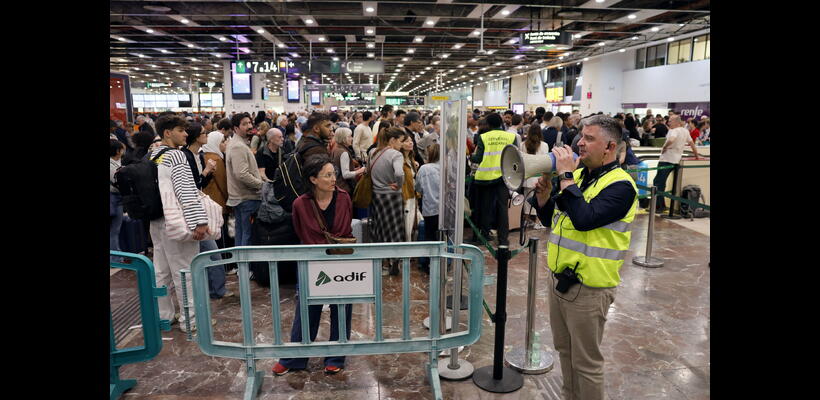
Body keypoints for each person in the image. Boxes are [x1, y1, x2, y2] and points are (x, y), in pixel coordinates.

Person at [529, 114, 638, 400]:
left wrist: (564, 177)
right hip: (559, 282)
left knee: (587, 363)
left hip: (589, 289)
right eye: (581, 136)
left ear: (610, 147)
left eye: (590, 138)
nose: (580, 143)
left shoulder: (621, 186)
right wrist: (543, 199)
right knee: (565, 352)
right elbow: (554, 219)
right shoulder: (579, 177)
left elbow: (584, 219)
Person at [271, 155, 354, 376]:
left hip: (340, 260)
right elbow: (301, 231)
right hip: (311, 262)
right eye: (327, 175)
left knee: (342, 307)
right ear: (313, 179)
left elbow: (344, 229)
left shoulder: (344, 198)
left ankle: (336, 356)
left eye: (333, 174)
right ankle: (295, 358)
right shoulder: (300, 204)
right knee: (306, 308)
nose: (333, 179)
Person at [149, 114, 211, 333]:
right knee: (185, 271)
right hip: (177, 221)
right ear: (168, 133)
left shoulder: (155, 154)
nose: (186, 134)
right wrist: (199, 222)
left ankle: (163, 316)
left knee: (161, 272)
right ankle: (191, 320)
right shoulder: (176, 156)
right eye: (181, 130)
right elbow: (186, 192)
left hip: (157, 221)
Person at [182, 122, 232, 300]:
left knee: (208, 254)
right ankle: (214, 291)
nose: (207, 135)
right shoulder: (186, 157)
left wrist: (207, 172)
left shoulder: (199, 155)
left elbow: (199, 184)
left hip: (200, 209)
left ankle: (214, 290)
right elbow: (192, 186)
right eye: (204, 133)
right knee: (211, 254)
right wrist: (207, 171)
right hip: (194, 214)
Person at [469, 113, 518, 245]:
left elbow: (478, 158)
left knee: (485, 208)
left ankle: (484, 236)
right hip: (503, 178)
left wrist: (470, 156)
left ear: (488, 124)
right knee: (502, 209)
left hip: (484, 178)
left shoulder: (483, 137)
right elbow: (515, 157)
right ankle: (503, 239)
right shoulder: (511, 136)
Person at [368, 127, 407, 275]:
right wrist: (399, 184)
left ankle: (383, 262)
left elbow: (367, 172)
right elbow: (399, 172)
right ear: (392, 140)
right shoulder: (396, 154)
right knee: (395, 229)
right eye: (401, 141)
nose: (402, 144)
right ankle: (394, 261)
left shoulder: (372, 152)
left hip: (377, 196)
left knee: (380, 229)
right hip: (392, 196)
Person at [225, 112, 264, 247]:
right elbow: (241, 174)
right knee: (247, 236)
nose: (249, 126)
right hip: (246, 198)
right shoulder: (238, 146)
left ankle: (242, 267)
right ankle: (246, 267)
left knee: (242, 233)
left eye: (249, 123)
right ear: (236, 128)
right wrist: (261, 185)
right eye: (244, 124)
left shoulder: (238, 143)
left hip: (242, 198)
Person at [653, 115, 700, 213]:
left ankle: (659, 207)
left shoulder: (674, 131)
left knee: (658, 183)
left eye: (670, 121)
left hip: (666, 160)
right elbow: (692, 144)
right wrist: (697, 156)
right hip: (676, 161)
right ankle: (663, 206)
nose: (668, 123)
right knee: (664, 183)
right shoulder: (685, 131)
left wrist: (665, 147)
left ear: (676, 122)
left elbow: (671, 140)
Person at [414, 143, 440, 274]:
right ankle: (444, 261)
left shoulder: (424, 169)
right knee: (445, 237)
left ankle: (429, 264)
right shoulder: (448, 168)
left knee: (430, 235)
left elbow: (418, 188)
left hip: (430, 208)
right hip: (446, 209)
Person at [330, 127, 364, 194]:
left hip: (337, 185)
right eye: (350, 136)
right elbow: (345, 175)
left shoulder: (336, 148)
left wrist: (354, 170)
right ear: (344, 138)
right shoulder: (344, 152)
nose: (352, 138)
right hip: (344, 188)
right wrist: (360, 170)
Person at [400, 133, 419, 243]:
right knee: (407, 227)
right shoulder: (400, 161)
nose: (410, 142)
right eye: (407, 141)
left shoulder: (411, 159)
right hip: (406, 197)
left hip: (413, 196)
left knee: (412, 226)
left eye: (411, 140)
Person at [110, 139, 126, 261]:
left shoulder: (115, 163)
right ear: (117, 151)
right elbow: (117, 182)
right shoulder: (112, 166)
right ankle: (115, 258)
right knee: (114, 230)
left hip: (114, 198)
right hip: (114, 199)